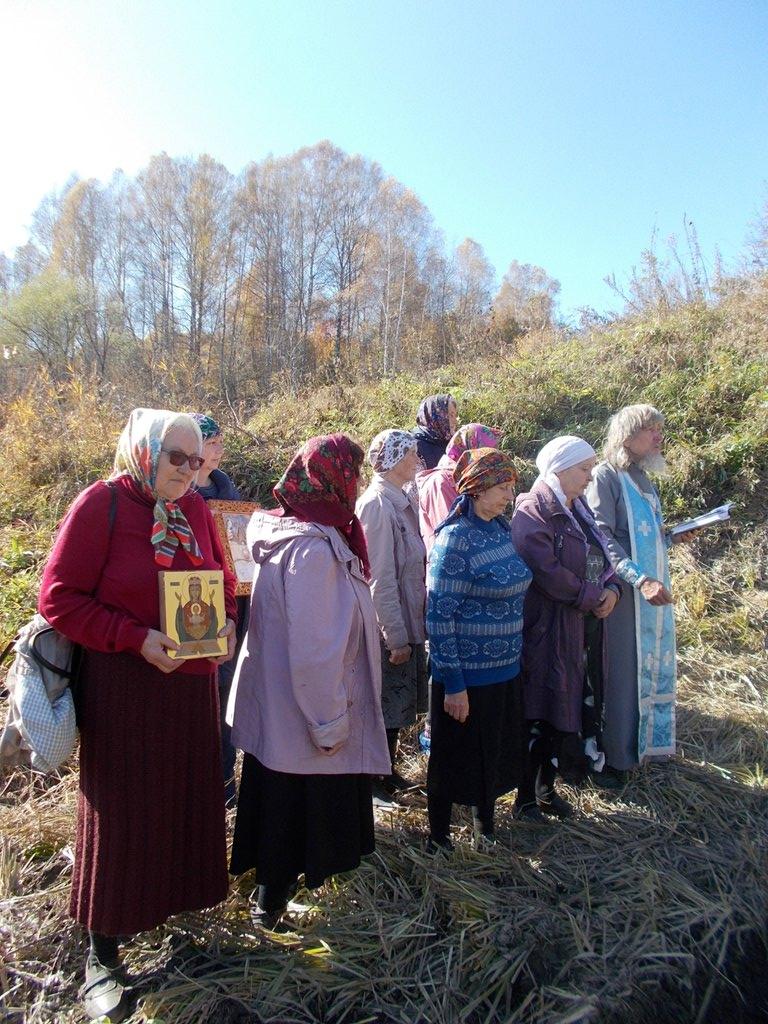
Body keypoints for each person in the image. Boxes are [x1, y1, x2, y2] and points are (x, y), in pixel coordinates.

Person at [38, 408, 237, 1023]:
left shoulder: (198, 511)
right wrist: (133, 636)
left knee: (180, 801)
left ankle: (169, 916)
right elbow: (58, 597)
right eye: (176, 456)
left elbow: (224, 583)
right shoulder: (103, 505)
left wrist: (227, 621)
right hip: (126, 688)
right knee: (122, 811)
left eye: (196, 457)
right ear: (142, 451)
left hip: (188, 690)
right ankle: (102, 952)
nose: (190, 468)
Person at [227, 433, 390, 929]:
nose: (358, 483)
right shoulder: (313, 549)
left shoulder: (298, 533)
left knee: (279, 802)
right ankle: (271, 904)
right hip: (310, 713)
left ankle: (271, 895)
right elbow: (316, 651)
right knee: (297, 811)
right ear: (331, 480)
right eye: (352, 473)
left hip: (283, 711)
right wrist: (329, 720)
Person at [510, 436, 622, 820]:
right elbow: (546, 572)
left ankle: (546, 789)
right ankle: (525, 799)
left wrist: (612, 587)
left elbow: (603, 553)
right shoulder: (534, 509)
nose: (590, 477)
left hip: (576, 624)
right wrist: (592, 596)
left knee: (563, 709)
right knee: (539, 713)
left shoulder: (576, 509)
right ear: (560, 468)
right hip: (546, 627)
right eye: (584, 469)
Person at [426, 448, 531, 850]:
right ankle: (439, 838)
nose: (509, 494)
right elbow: (439, 617)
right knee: (454, 760)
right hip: (467, 677)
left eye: (510, 487)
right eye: (502, 487)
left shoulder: (499, 529)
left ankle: (484, 828)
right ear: (477, 487)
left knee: (492, 754)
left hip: (504, 670)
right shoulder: (454, 541)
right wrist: (454, 684)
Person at [585, 405, 696, 778]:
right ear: (629, 435)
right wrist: (639, 579)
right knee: (622, 674)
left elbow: (643, 535)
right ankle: (616, 758)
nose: (658, 437)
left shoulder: (642, 479)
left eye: (659, 429)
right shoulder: (606, 476)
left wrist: (672, 536)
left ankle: (645, 747)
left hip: (650, 593)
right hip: (624, 593)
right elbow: (602, 535)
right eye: (651, 429)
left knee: (646, 670)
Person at [356, 429, 428, 802]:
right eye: (412, 453)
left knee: (397, 706)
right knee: (384, 704)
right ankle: (370, 780)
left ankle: (386, 772)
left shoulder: (401, 499)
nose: (418, 460)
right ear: (396, 458)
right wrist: (394, 635)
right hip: (390, 624)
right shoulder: (377, 505)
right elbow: (378, 577)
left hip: (407, 617)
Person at [191, 412, 249, 807]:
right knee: (199, 694)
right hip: (192, 602)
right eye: (210, 443)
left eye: (219, 443)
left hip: (234, 601)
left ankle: (225, 781)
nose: (218, 450)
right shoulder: (174, 496)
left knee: (227, 686)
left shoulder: (227, 489)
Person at [416, 423, 501, 556]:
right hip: (453, 565)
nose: (491, 460)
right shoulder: (441, 482)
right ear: (471, 449)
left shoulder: (470, 478)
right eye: (486, 452)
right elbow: (450, 533)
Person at [412, 394, 458, 470]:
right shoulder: (415, 444)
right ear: (436, 415)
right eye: (450, 415)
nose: (455, 421)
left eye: (455, 415)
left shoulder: (448, 441)